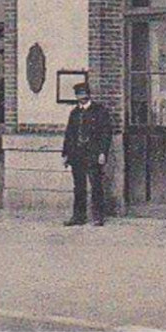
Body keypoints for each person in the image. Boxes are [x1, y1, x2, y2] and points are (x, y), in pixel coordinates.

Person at [61, 81, 112, 226]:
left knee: (96, 185)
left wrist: (103, 152)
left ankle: (98, 216)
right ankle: (78, 216)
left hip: (93, 154)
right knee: (79, 187)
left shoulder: (99, 111)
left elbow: (106, 133)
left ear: (89, 95)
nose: (81, 97)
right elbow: (69, 134)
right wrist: (65, 154)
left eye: (83, 94)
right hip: (77, 154)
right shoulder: (74, 113)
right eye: (78, 94)